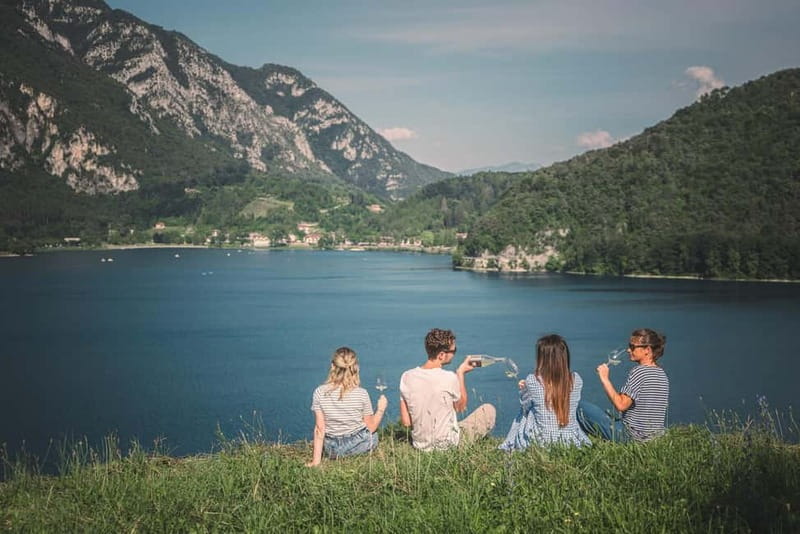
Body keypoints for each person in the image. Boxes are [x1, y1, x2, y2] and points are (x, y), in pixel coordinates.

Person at [399, 328, 496, 450]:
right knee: (489, 410)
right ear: (441, 355)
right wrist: (460, 373)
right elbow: (461, 407)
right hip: (448, 445)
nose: (454, 353)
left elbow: (406, 422)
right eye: (453, 350)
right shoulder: (449, 378)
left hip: (420, 446)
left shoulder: (406, 376)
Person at [499, 334, 591, 450]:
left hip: (541, 442)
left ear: (543, 358)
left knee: (527, 412)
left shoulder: (533, 380)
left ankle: (509, 444)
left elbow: (525, 407)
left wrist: (524, 390)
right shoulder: (576, 380)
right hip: (571, 441)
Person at [577, 328, 669, 442]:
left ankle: (580, 442)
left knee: (580, 407)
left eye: (633, 347)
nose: (628, 350)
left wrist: (605, 379)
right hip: (654, 437)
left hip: (631, 437)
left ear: (647, 350)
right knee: (606, 415)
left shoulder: (639, 372)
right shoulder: (662, 374)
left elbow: (621, 405)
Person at [307, 347, 387, 467]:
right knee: (373, 435)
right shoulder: (361, 393)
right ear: (356, 368)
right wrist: (381, 409)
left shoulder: (319, 392)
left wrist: (316, 461)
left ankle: (329, 458)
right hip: (360, 444)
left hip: (332, 448)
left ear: (333, 366)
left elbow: (319, 429)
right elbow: (371, 427)